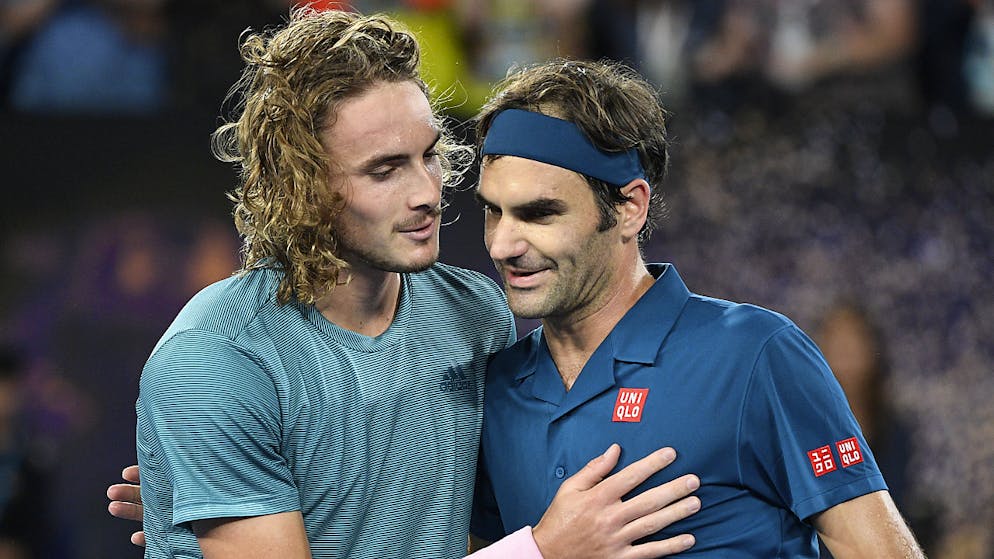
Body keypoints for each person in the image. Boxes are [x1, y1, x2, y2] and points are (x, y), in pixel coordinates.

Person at [110, 8, 701, 559]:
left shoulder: (474, 310)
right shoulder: (215, 357)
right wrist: (540, 552)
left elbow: (471, 517)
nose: (428, 193)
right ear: (303, 189)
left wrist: (211, 483)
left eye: (429, 155)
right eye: (385, 170)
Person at [467, 58, 926, 557]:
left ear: (629, 207)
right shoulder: (496, 388)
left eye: (539, 213)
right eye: (494, 211)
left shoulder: (755, 355)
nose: (503, 244)